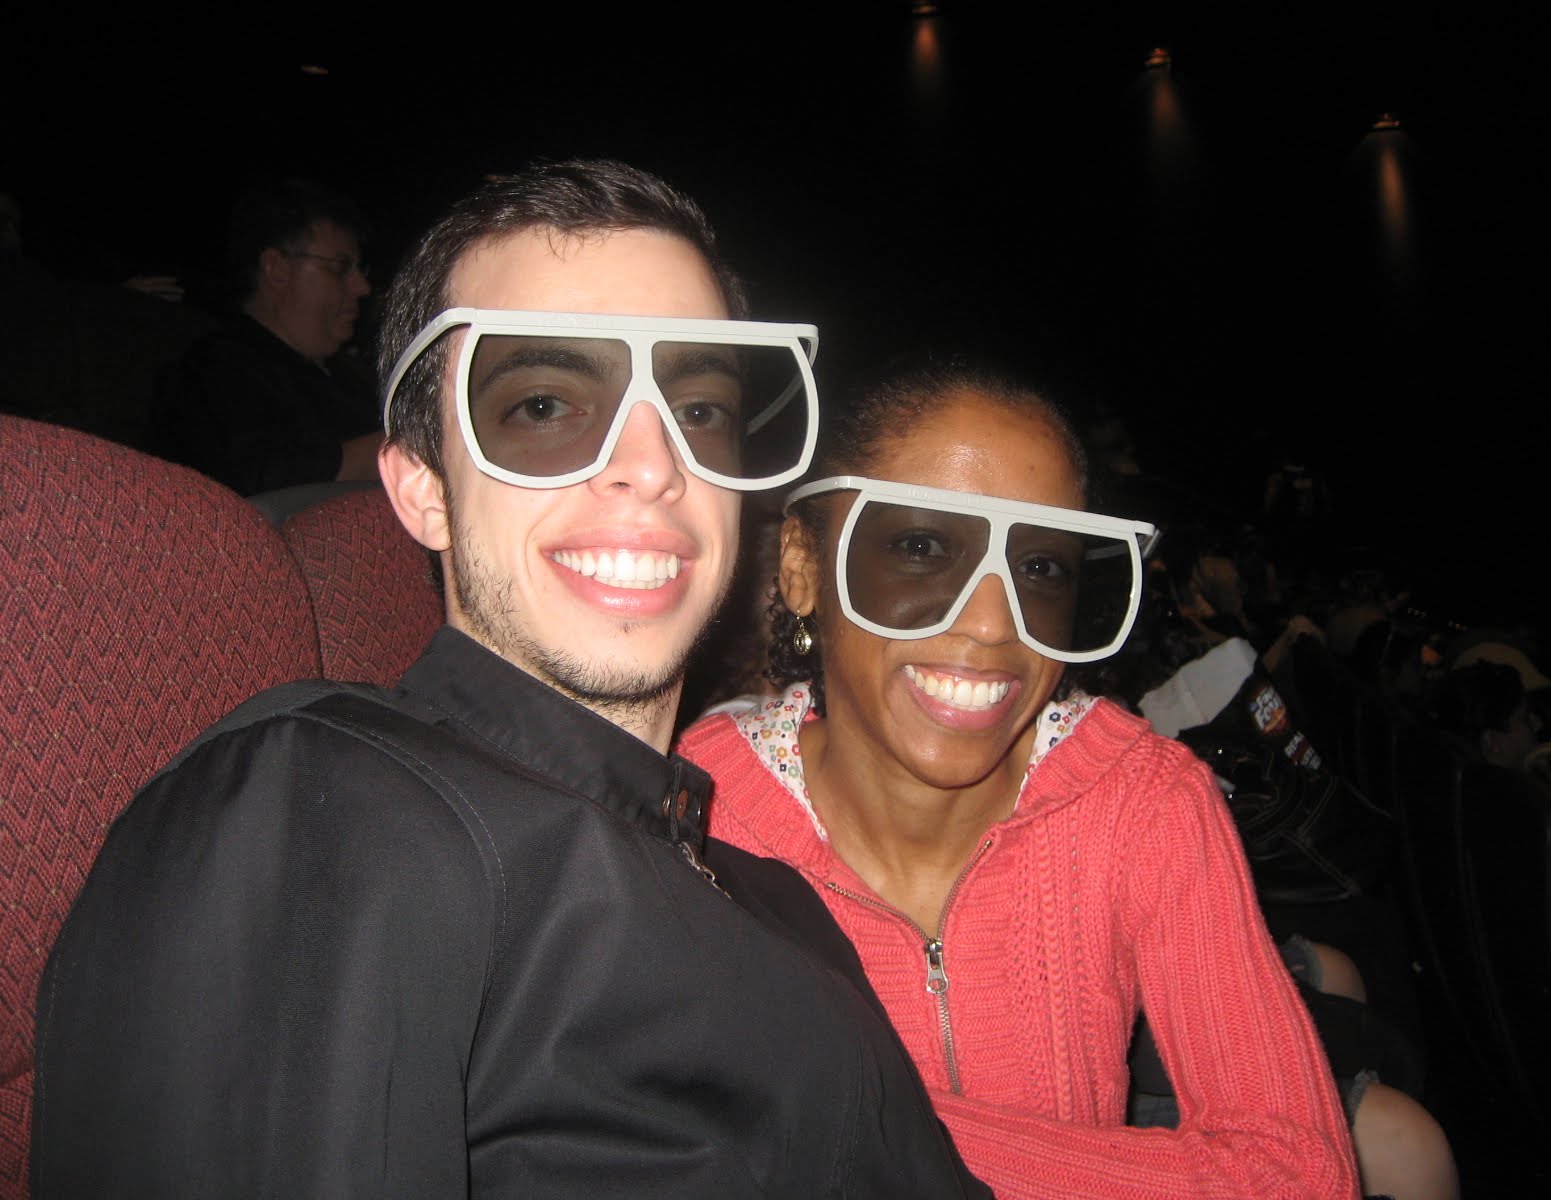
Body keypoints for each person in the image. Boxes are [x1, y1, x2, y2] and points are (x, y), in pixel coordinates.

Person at [30, 161, 991, 1199]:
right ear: (423, 490)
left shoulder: (778, 899)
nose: (654, 464)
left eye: (700, 408)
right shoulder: (324, 806)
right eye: (543, 404)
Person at [679, 353, 1457, 1198]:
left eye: (1040, 567)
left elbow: (1296, 1172)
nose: (992, 623)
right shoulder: (696, 818)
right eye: (921, 547)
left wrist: (854, 1117)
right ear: (803, 566)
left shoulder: (1143, 801)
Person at [147, 176, 383, 494]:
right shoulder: (219, 370)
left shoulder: (351, 376)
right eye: (340, 268)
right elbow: (271, 485)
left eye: (360, 270)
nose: (363, 287)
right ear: (276, 268)